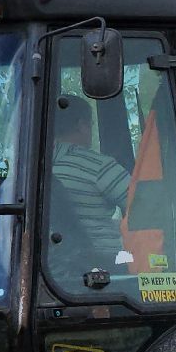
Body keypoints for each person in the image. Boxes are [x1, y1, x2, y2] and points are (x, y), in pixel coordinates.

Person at [50, 96, 132, 276]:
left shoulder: (35, 169)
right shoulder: (98, 166)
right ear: (81, 125)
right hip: (104, 270)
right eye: (91, 125)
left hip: (53, 270)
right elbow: (145, 210)